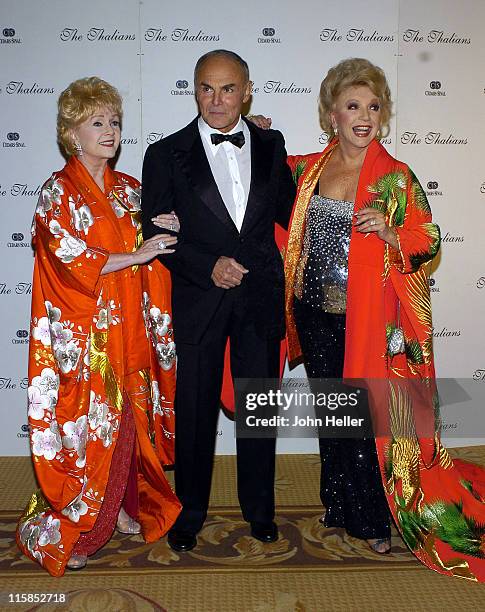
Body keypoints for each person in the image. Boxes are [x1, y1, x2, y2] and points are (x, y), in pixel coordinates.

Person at [281, 57, 485, 578]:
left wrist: (393, 233)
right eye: (353, 106)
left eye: (374, 106)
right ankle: (339, 503)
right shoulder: (308, 169)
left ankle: (372, 517)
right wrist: (259, 133)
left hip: (370, 318)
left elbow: (428, 237)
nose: (364, 115)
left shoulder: (395, 178)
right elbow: (264, 184)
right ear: (332, 115)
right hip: (314, 309)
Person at [16, 77, 181, 576]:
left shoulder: (132, 190)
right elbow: (69, 260)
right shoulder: (57, 193)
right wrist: (137, 252)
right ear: (72, 132)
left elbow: (156, 246)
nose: (109, 131)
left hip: (131, 326)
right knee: (92, 430)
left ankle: (124, 507)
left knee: (131, 423)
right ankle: (83, 526)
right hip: (86, 339)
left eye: (114, 121)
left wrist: (169, 228)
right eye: (97, 122)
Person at [141, 49, 296, 552]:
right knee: (194, 411)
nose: (216, 99)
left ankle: (260, 511)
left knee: (259, 411)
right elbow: (154, 231)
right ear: (195, 91)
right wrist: (207, 264)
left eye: (228, 89)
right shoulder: (165, 153)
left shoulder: (272, 145)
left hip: (259, 297)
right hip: (200, 297)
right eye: (206, 88)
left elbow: (295, 214)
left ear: (247, 91)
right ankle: (188, 513)